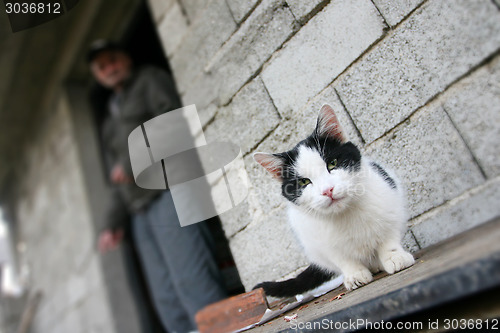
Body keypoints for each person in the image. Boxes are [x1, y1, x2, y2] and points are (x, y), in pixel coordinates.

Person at [87, 39, 227, 333]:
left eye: (112, 59)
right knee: (166, 296)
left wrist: (131, 159)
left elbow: (178, 122)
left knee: (192, 278)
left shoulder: (149, 79)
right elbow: (115, 180)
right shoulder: (109, 121)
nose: (109, 68)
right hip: (140, 209)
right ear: (96, 75)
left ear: (125, 58)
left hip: (171, 188)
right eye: (101, 66)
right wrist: (111, 222)